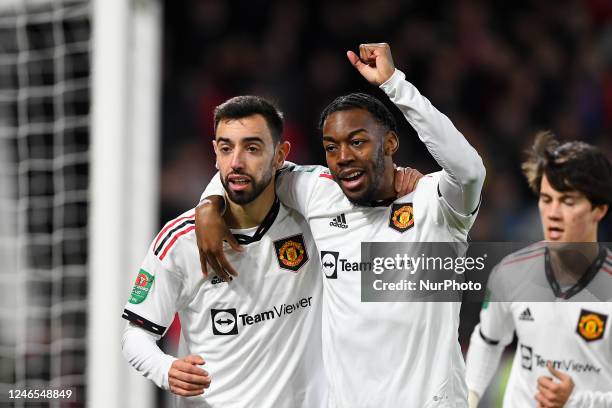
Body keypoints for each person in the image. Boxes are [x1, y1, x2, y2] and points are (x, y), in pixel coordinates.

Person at [197, 43, 486, 407]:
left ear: (391, 143)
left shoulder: (434, 203)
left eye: (358, 142)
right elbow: (252, 169)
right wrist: (209, 204)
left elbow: (470, 169)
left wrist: (395, 84)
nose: (343, 157)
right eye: (331, 147)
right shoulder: (319, 194)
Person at [121, 95, 329, 407]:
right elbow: (135, 336)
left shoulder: (311, 220)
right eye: (226, 148)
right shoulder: (180, 240)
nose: (236, 162)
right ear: (215, 153)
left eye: (252, 148)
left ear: (280, 155)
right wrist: (165, 369)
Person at [465, 132, 612, 408]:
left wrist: (577, 402)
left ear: (599, 210)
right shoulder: (511, 272)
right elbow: (488, 340)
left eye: (568, 201)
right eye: (546, 199)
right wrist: (469, 398)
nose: (553, 213)